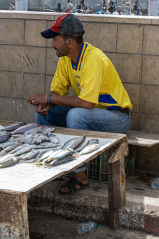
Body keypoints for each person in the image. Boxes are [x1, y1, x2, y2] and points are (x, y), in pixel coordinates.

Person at [28, 14, 132, 195]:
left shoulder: (93, 59)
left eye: (55, 39)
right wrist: (47, 103)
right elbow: (56, 91)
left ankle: (80, 176)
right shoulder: (64, 58)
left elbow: (86, 103)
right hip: (90, 113)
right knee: (44, 114)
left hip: (116, 118)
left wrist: (49, 99)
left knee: (76, 115)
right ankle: (53, 165)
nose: (52, 44)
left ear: (69, 42)